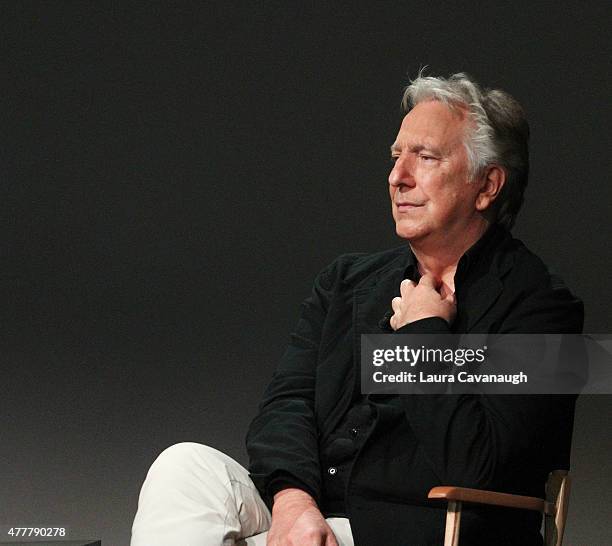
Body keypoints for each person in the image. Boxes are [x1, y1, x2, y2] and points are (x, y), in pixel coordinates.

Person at [131, 73, 583, 546]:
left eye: (425, 157)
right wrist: (294, 503)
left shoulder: (541, 309)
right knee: (184, 467)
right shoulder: (345, 283)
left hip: (413, 529)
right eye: (396, 157)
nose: (397, 177)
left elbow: (482, 466)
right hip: (313, 511)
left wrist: (424, 331)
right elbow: (286, 407)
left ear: (487, 185)